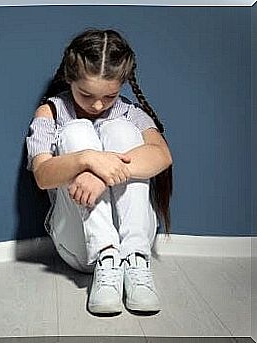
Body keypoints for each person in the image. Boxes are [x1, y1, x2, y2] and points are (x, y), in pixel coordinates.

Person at [25, 28, 173, 316]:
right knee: (77, 131)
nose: (96, 104)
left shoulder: (130, 113)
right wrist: (87, 159)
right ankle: (106, 259)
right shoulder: (51, 112)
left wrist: (100, 174)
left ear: (122, 86)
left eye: (109, 96)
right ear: (70, 78)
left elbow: (162, 155)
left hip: (132, 235)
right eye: (86, 93)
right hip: (81, 245)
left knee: (120, 129)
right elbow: (43, 176)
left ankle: (135, 259)